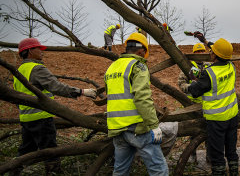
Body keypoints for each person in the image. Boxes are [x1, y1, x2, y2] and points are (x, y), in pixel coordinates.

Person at [12, 38, 97, 175]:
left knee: (26, 152)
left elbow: (17, 97)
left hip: (26, 120)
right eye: (37, 48)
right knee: (51, 152)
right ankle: (54, 173)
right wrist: (81, 92)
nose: (42, 51)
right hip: (42, 118)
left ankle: (13, 172)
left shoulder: (19, 70)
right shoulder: (37, 68)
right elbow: (56, 87)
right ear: (28, 51)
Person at [104, 32, 168, 176]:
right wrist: (154, 126)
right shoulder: (138, 66)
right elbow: (142, 98)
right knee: (159, 170)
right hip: (137, 128)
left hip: (117, 128)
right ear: (141, 51)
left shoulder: (112, 67)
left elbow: (113, 95)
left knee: (120, 171)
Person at [185, 32, 239, 176]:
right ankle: (234, 172)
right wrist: (205, 41)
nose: (210, 52)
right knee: (232, 152)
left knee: (217, 155)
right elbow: (221, 50)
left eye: (211, 51)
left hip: (216, 121)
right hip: (232, 116)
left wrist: (191, 80)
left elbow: (194, 92)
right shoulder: (231, 66)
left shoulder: (209, 73)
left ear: (214, 55)